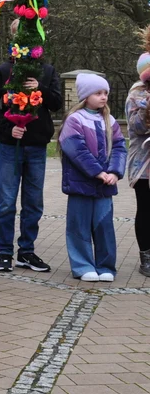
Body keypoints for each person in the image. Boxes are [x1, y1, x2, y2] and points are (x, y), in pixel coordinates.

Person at [0, 20, 64, 274]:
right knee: (6, 202)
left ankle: (26, 251)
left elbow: (56, 103)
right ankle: (4, 252)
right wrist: (7, 129)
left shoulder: (47, 71)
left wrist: (40, 88)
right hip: (10, 146)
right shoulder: (4, 70)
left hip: (38, 146)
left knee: (33, 203)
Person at [59, 74, 126, 282]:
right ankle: (82, 265)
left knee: (104, 225)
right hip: (81, 184)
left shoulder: (110, 121)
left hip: (105, 185)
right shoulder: (74, 120)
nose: (103, 97)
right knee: (79, 226)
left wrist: (114, 171)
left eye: (105, 93)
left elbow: (119, 147)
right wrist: (97, 172)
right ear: (86, 96)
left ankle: (106, 266)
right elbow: (76, 150)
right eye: (98, 93)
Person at [125, 52, 150, 277]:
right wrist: (147, 107)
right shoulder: (137, 93)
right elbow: (138, 128)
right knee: (146, 209)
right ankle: (146, 256)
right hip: (144, 163)